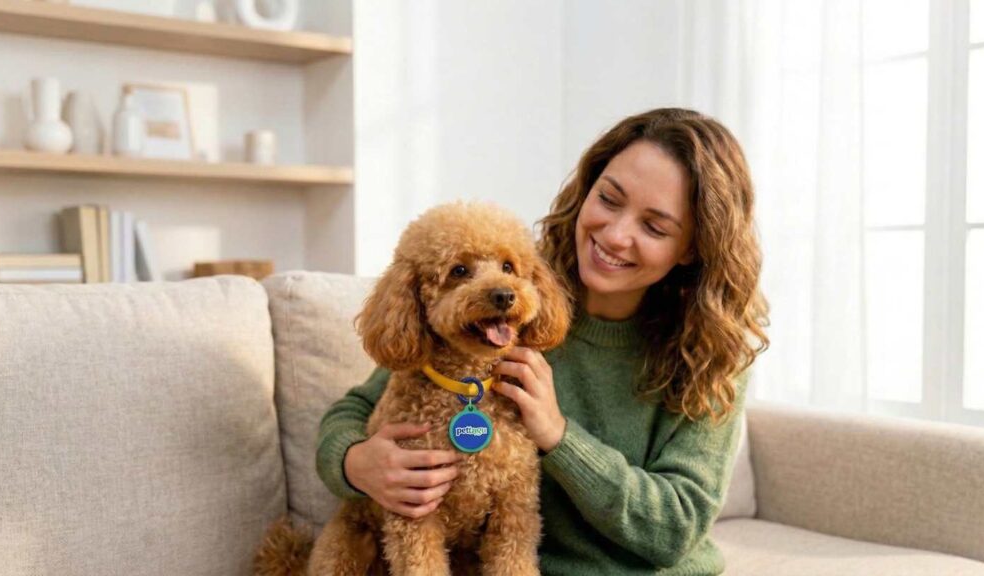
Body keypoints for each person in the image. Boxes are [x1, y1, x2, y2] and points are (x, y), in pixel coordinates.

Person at [316, 107, 770, 575]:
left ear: (693, 247)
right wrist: (356, 464)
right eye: (609, 200)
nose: (615, 236)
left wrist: (558, 435)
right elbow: (355, 409)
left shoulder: (713, 353)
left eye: (654, 227)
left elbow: (675, 529)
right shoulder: (494, 316)